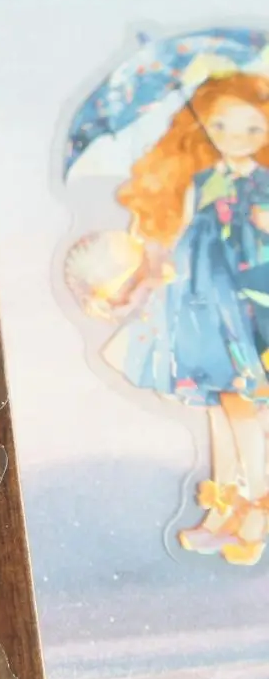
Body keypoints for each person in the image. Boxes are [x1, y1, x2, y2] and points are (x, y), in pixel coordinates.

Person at [101, 74, 269, 565]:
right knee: (217, 404)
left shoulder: (263, 181)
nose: (236, 137)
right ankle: (224, 511)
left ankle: (256, 508)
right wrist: (134, 289)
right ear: (202, 127)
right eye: (222, 126)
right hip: (201, 303)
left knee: (241, 401)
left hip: (250, 298)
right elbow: (167, 243)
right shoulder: (199, 180)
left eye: (252, 127)